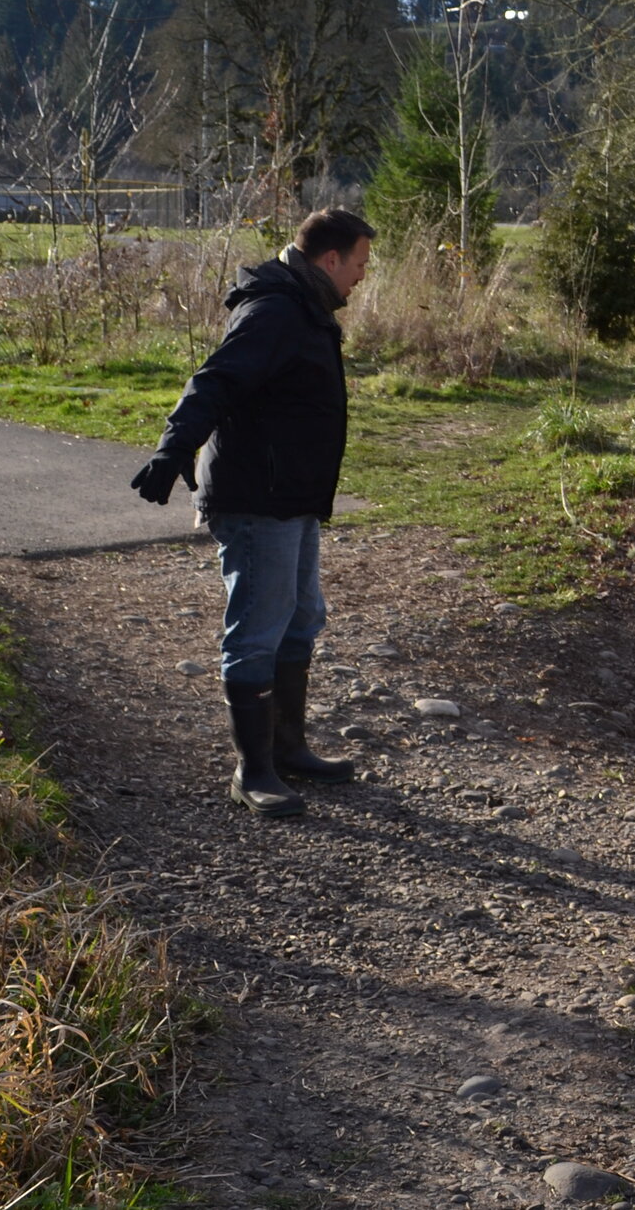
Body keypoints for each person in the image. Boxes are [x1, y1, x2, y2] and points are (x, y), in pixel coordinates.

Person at [131, 207, 376, 817]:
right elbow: (213, 381)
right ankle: (253, 770)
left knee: (300, 618)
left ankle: (288, 748)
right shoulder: (274, 310)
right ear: (330, 259)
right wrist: (174, 447)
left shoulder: (305, 305)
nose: (362, 277)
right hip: (256, 498)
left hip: (290, 495)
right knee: (260, 627)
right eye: (360, 264)